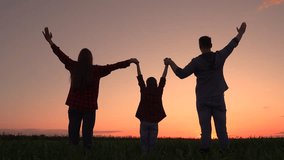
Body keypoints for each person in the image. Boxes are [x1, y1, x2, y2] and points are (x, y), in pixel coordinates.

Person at [42, 27, 137, 149]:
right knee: (87, 134)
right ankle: (87, 153)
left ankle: (73, 152)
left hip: (74, 106)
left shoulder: (74, 66)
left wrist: (50, 41)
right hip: (89, 108)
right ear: (91, 58)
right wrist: (129, 61)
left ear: (79, 57)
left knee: (73, 132)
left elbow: (61, 56)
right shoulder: (96, 70)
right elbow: (113, 66)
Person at [164, 22, 247, 152]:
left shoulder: (196, 62)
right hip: (218, 98)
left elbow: (181, 74)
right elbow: (232, 45)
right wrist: (240, 33)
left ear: (200, 46)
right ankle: (225, 152)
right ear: (211, 45)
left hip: (202, 100)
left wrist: (170, 62)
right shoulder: (219, 56)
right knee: (221, 130)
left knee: (205, 130)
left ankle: (205, 154)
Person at [134, 60, 168, 154]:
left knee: (144, 143)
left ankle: (144, 156)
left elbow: (140, 78)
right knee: (152, 143)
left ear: (147, 83)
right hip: (154, 122)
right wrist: (167, 66)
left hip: (144, 121)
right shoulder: (158, 91)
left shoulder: (144, 90)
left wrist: (137, 65)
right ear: (156, 83)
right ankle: (151, 156)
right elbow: (163, 79)